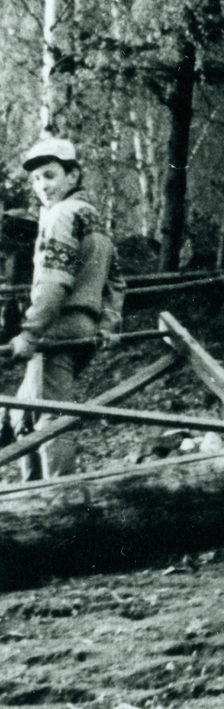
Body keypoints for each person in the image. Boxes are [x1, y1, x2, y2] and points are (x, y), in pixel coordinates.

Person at [4, 136, 125, 480]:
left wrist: (30, 333)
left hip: (57, 330)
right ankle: (29, 488)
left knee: (51, 418)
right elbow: (115, 280)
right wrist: (108, 323)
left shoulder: (60, 216)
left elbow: (56, 282)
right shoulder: (94, 218)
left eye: (50, 175)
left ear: (73, 176)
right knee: (21, 413)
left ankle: (60, 495)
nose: (42, 186)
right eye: (36, 178)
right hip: (85, 332)